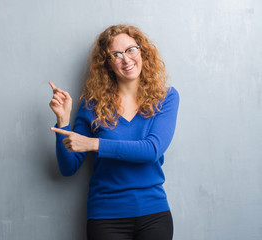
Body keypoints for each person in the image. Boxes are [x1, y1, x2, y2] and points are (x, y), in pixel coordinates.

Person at [48, 24, 179, 240]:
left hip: (154, 215)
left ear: (142, 51)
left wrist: (94, 144)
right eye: (116, 55)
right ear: (107, 64)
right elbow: (68, 167)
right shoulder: (91, 105)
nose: (126, 59)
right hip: (106, 217)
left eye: (130, 50)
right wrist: (63, 121)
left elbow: (151, 150)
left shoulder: (166, 98)